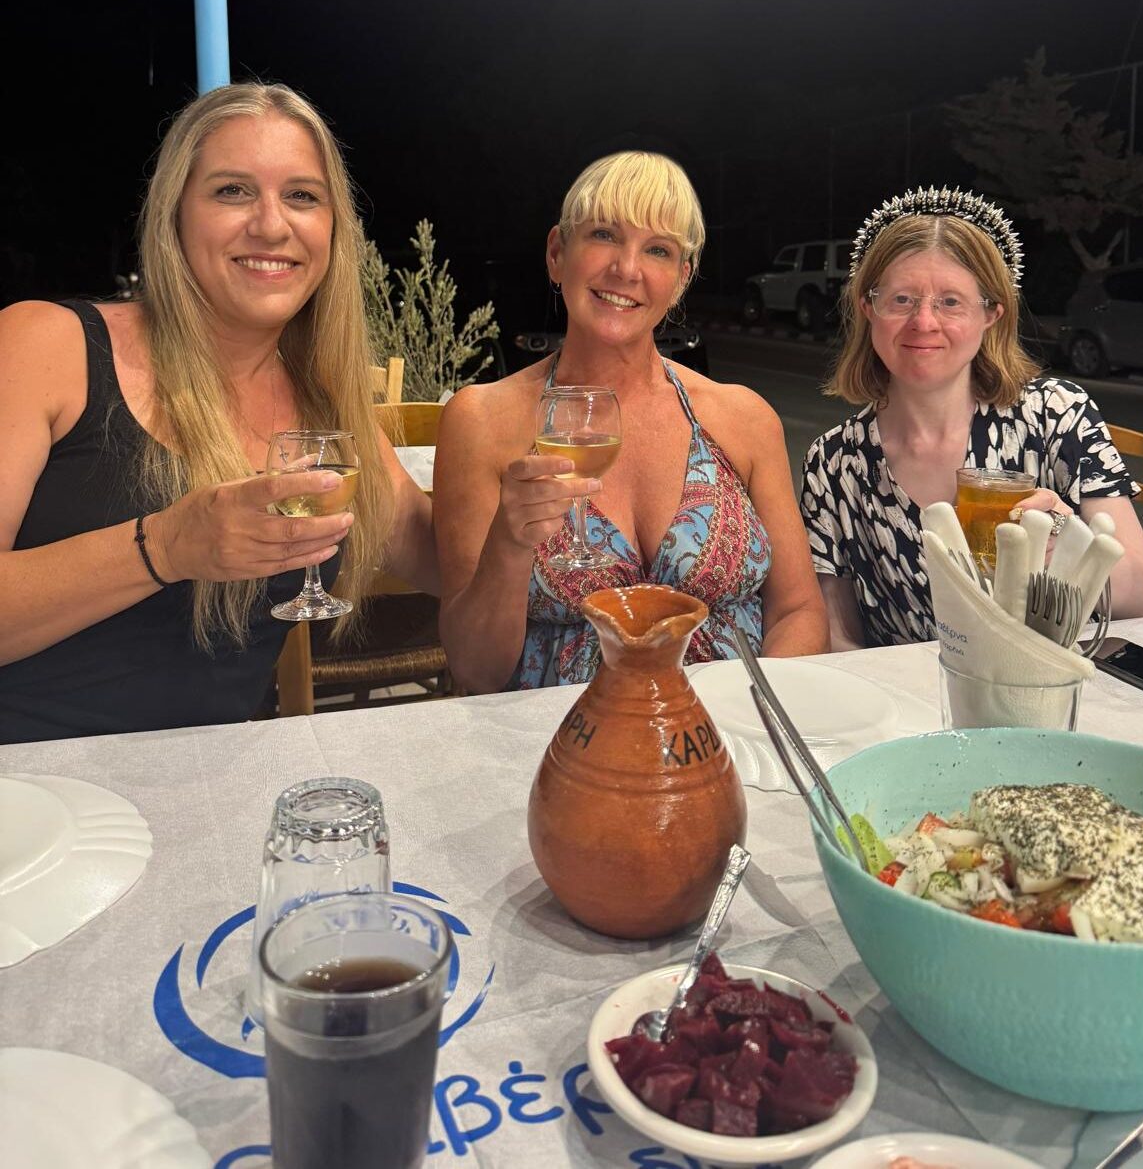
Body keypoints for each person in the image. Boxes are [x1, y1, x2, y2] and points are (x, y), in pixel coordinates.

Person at [0, 82, 436, 742]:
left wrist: (514, 491)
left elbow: (432, 553)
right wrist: (166, 547)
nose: (271, 223)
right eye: (232, 191)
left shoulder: (322, 400)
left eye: (302, 196)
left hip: (211, 793)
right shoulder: (45, 343)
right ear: (175, 213)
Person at [435, 151, 828, 692]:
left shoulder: (745, 417)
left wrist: (753, 721)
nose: (627, 269)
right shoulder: (479, 421)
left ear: (682, 279)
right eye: (603, 235)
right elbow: (475, 671)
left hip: (730, 740)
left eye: (658, 250)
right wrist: (509, 542)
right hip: (559, 747)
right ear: (556, 252)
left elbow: (800, 612)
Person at [801, 187, 1143, 650]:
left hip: (1049, 695)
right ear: (867, 307)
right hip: (912, 707)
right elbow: (837, 636)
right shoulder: (833, 464)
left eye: (951, 301)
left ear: (992, 312)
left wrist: (1066, 546)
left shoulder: (1057, 417)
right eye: (902, 300)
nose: (924, 322)